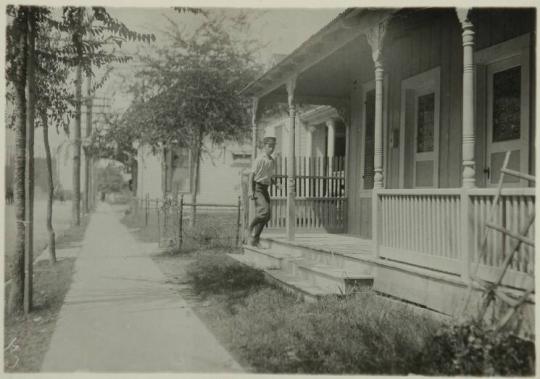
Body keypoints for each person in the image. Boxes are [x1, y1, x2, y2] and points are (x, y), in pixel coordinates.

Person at [248, 136, 276, 246]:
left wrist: (276, 183)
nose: (272, 148)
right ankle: (249, 228)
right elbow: (252, 175)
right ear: (264, 147)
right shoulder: (259, 159)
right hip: (257, 187)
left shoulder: (272, 161)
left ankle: (256, 239)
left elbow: (268, 177)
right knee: (264, 212)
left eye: (273, 146)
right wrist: (251, 190)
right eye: (269, 146)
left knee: (267, 216)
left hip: (265, 188)